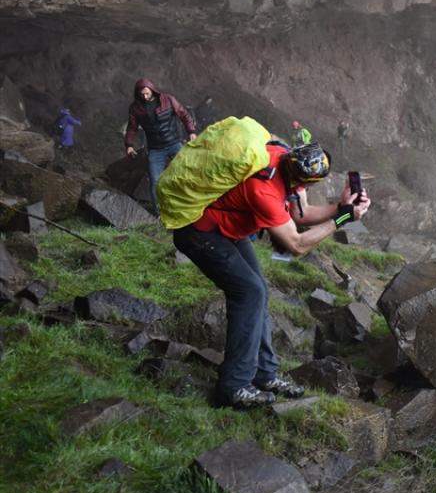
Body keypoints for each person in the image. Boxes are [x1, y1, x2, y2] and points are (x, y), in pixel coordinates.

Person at [172, 142, 371, 409]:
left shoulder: (287, 160)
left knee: (258, 292)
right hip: (200, 231)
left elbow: (299, 215)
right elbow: (297, 244)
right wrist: (343, 219)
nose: (303, 190)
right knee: (249, 292)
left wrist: (342, 207)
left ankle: (264, 374)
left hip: (229, 227)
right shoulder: (263, 189)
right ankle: (234, 387)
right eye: (304, 186)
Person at [125, 78, 197, 207]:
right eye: (142, 94)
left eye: (147, 93)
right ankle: (159, 214)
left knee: (187, 173)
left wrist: (191, 131)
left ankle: (192, 204)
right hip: (155, 149)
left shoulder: (168, 100)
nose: (145, 96)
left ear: (152, 90)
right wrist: (129, 145)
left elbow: (184, 114)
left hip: (174, 143)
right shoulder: (135, 108)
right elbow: (132, 128)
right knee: (155, 182)